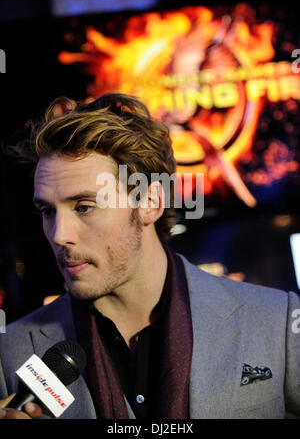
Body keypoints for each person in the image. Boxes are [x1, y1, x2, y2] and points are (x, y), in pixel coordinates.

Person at [0, 92, 299, 419]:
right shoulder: (11, 353)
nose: (59, 235)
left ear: (150, 203)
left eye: (84, 207)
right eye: (46, 210)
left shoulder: (277, 320)